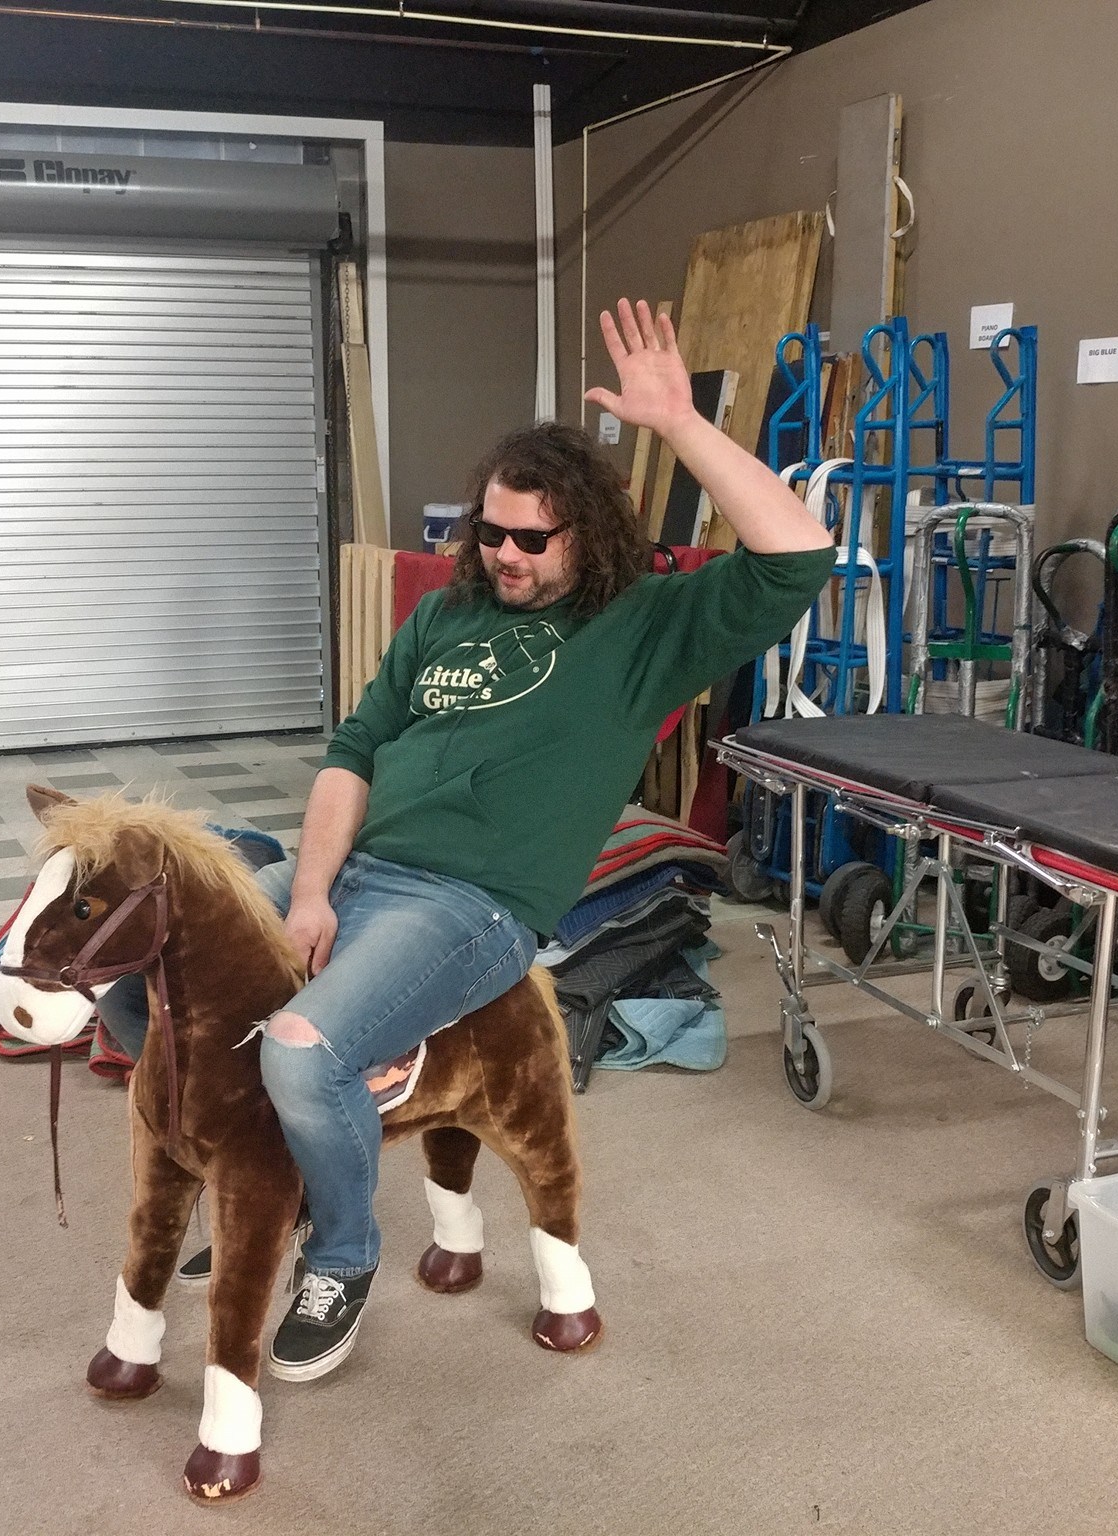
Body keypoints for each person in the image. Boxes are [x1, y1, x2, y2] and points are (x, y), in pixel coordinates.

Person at [96, 299, 835, 1382]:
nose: (501, 554)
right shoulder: (446, 612)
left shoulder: (639, 626)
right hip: (355, 870)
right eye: (488, 530)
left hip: (465, 907)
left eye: (529, 539)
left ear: (588, 533)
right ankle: (265, 1181)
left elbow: (796, 558)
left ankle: (340, 1251)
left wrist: (677, 423)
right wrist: (309, 890)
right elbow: (353, 751)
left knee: (301, 1059)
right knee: (136, 973)